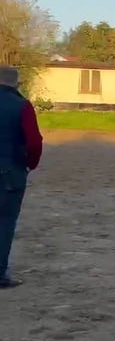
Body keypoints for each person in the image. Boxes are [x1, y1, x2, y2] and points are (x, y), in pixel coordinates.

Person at [0, 66, 43, 289]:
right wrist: (29, 164)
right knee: (5, 222)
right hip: (10, 172)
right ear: (16, 84)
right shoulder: (22, 106)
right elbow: (34, 142)